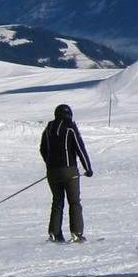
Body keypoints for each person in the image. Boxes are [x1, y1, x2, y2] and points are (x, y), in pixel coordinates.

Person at [39, 103, 93, 242]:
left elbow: (43, 150)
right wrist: (87, 168)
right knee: (74, 201)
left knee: (57, 201)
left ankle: (54, 233)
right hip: (69, 171)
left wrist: (50, 165)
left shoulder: (48, 130)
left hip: (52, 172)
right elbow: (80, 149)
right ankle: (77, 233)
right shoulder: (70, 129)